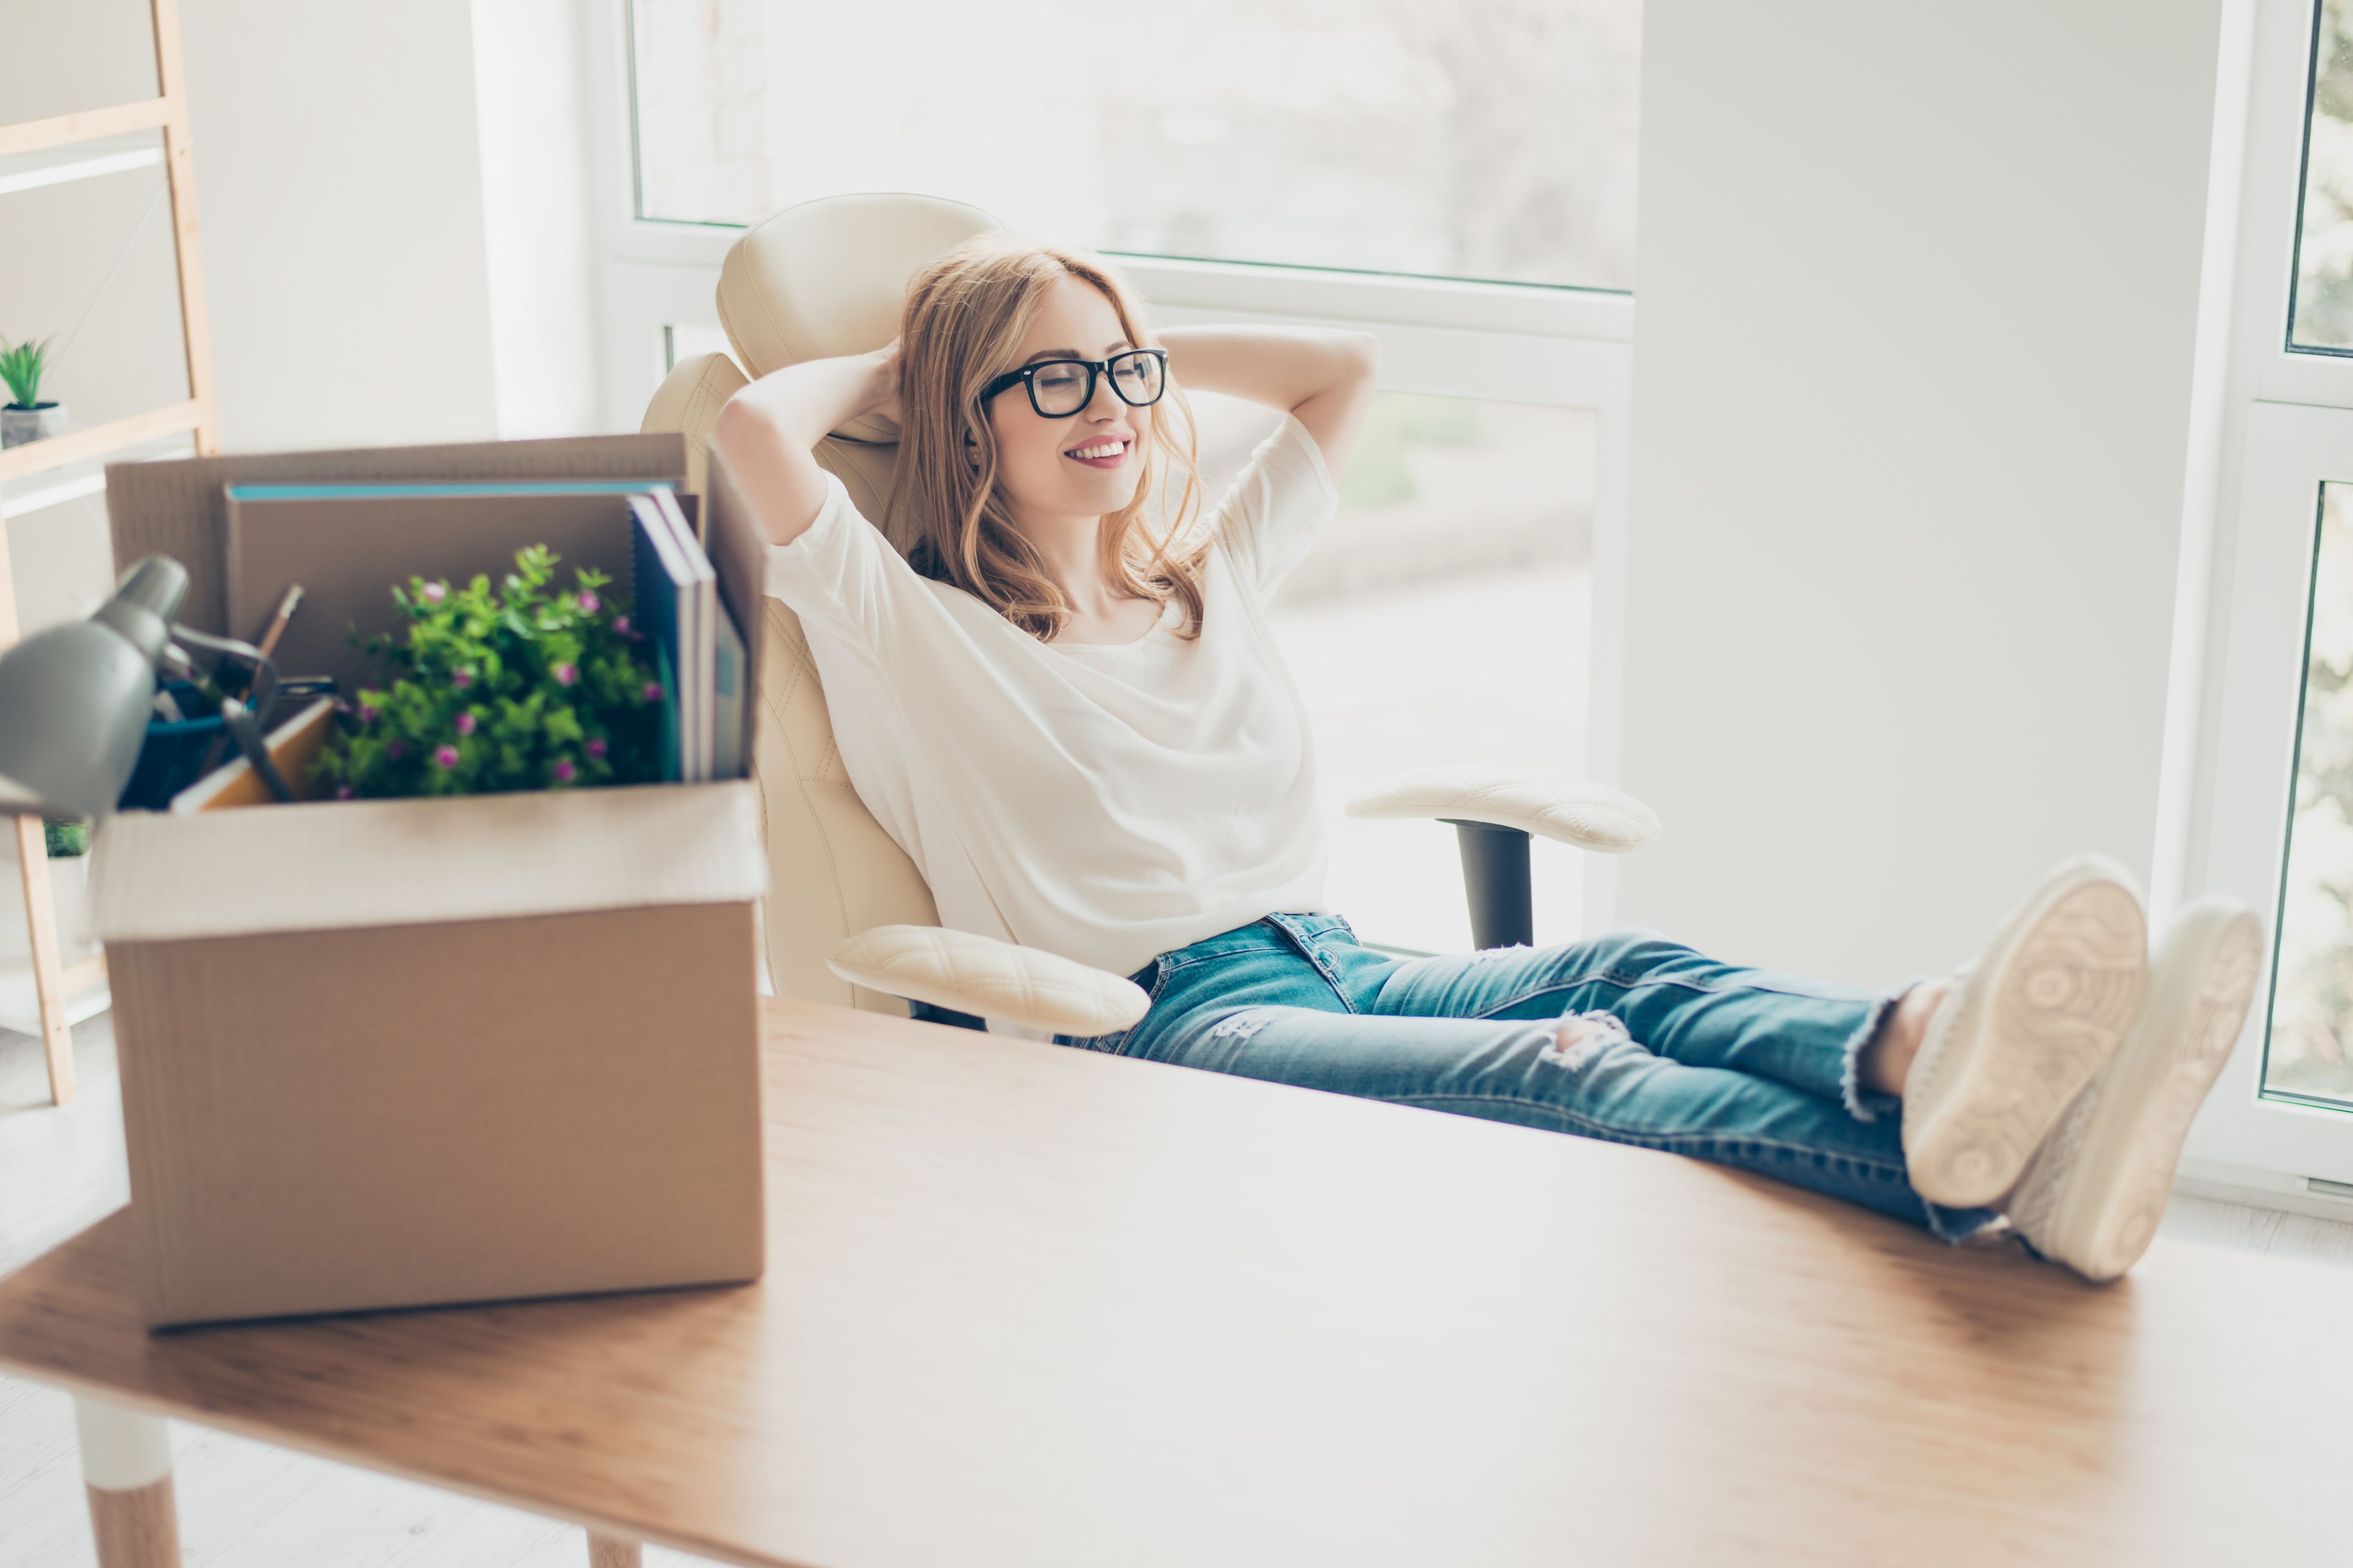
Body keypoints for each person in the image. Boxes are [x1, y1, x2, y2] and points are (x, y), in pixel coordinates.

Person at [713, 234, 2265, 1283]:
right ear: (961, 422)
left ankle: (1935, 1048)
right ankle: (1983, 1175)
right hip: (1157, 1024)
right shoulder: (908, 623)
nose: (1108, 408)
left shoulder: (1206, 575)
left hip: (1332, 959)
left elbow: (1340, 366)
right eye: (1049, 382)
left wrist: (1097, 326)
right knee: (1560, 1059)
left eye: (1126, 374)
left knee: (1637, 971)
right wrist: (909, 356)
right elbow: (749, 429)